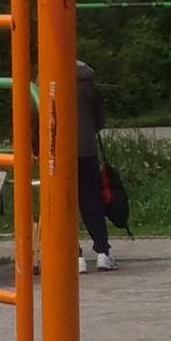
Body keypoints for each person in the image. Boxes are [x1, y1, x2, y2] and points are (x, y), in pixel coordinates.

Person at [74, 57, 114, 271]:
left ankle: (75, 256)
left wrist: (36, 147)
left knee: (63, 206)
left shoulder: (44, 81)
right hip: (86, 150)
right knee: (92, 201)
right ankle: (102, 252)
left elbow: (35, 115)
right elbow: (99, 118)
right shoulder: (88, 84)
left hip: (56, 153)